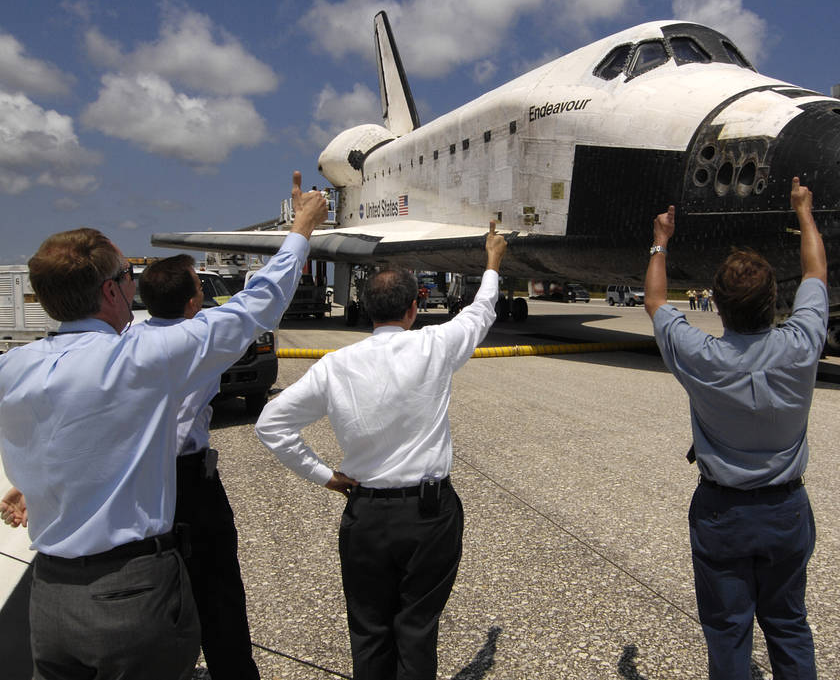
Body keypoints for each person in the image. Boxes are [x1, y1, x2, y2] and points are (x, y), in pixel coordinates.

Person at [0, 172, 328, 680]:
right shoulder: (140, 358)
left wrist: (35, 484)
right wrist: (301, 229)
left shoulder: (14, 367)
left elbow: (71, 436)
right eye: (129, 274)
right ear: (111, 290)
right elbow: (256, 305)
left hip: (50, 594)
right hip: (129, 593)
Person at [255, 222, 508, 680]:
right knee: (416, 628)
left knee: (369, 631)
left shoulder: (336, 366)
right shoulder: (434, 345)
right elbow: (480, 311)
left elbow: (271, 424)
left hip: (366, 513)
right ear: (415, 308)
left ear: (367, 309)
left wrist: (324, 475)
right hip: (429, 514)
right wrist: (492, 260)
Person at [644, 177, 827, 680]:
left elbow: (657, 304)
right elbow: (816, 272)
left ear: (717, 306)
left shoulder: (702, 356)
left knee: (728, 632)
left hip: (723, 512)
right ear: (774, 301)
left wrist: (661, 240)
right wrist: (803, 213)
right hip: (787, 509)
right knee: (789, 624)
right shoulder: (801, 345)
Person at [138, 254, 262, 679]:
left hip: (136, 483)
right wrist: (299, 232)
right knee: (219, 594)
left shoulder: (126, 341)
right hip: (190, 482)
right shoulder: (203, 339)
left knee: (151, 592)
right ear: (194, 302)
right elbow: (259, 303)